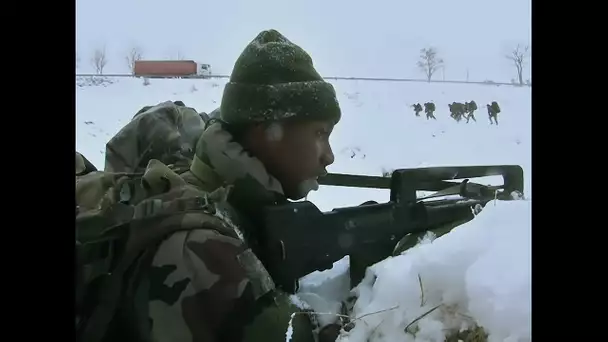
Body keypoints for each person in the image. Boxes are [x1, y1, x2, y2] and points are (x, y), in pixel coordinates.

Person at [83, 29, 345, 342]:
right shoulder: (202, 248)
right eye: (319, 134)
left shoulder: (233, 207)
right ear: (266, 131)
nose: (328, 156)